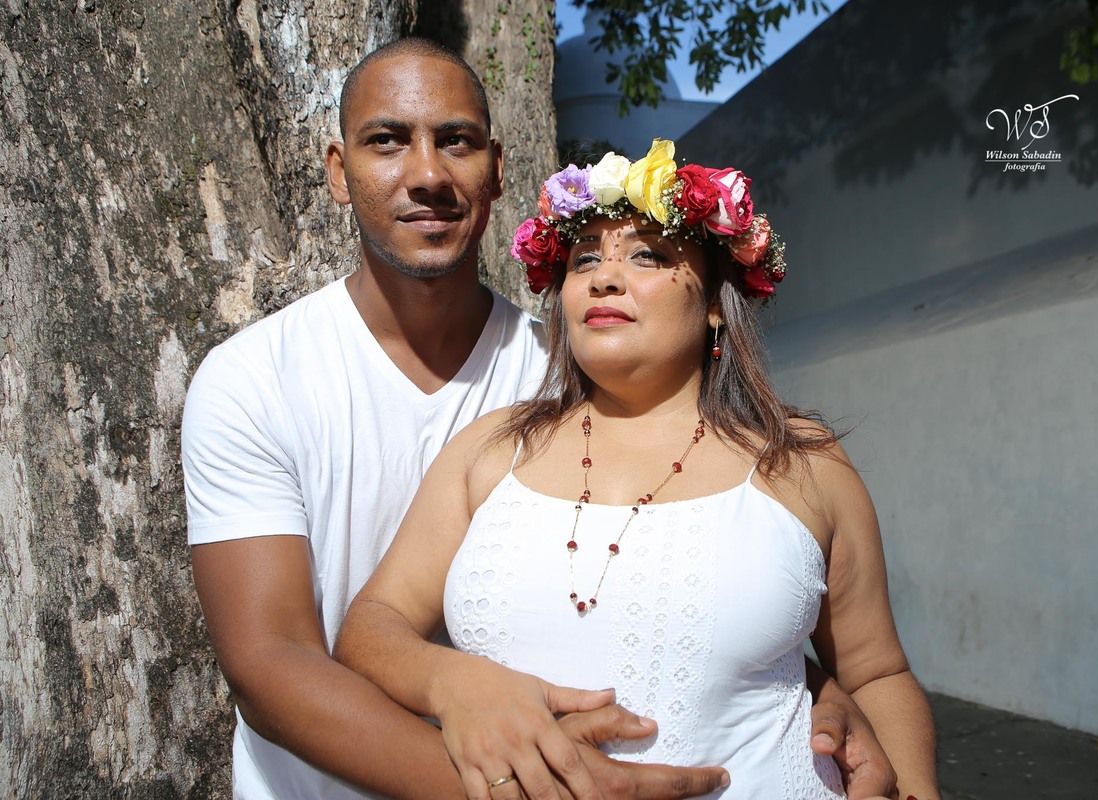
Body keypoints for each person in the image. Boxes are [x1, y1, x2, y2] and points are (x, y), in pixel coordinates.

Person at [183, 39, 898, 800]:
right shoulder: (254, 379)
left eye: (454, 141)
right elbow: (271, 666)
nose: (427, 174)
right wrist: (519, 781)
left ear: (495, 169)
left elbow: (697, 585)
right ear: (338, 169)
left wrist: (807, 685)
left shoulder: (571, 375)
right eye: (387, 141)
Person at [333, 141, 941, 800]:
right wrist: (454, 685)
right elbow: (371, 628)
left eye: (648, 254)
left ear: (714, 300)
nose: (603, 277)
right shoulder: (487, 453)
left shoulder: (800, 460)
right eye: (584, 257)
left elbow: (877, 674)